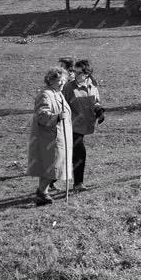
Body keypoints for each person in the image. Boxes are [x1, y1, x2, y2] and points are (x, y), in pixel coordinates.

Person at [27, 67, 73, 206]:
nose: (62, 83)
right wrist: (57, 117)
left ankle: (43, 192)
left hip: (59, 135)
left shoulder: (58, 93)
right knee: (52, 166)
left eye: (63, 80)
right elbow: (41, 115)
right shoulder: (45, 95)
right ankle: (42, 193)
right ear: (50, 80)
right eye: (58, 80)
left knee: (54, 166)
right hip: (50, 138)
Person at [63, 60, 105, 191]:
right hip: (72, 126)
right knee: (80, 153)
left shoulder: (92, 85)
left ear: (87, 73)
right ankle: (78, 184)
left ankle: (51, 179)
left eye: (79, 72)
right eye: (74, 71)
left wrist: (99, 111)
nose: (75, 74)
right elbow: (61, 105)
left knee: (67, 156)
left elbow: (96, 101)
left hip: (85, 125)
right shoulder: (69, 87)